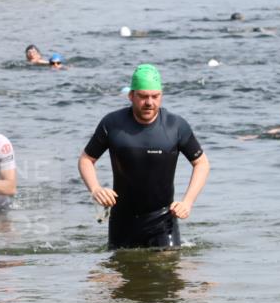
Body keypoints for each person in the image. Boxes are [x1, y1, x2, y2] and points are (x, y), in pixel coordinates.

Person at [78, 64, 211, 250]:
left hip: (163, 220)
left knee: (170, 273)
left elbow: (201, 163)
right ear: (131, 96)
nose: (149, 102)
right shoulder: (113, 123)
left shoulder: (176, 126)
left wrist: (188, 202)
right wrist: (95, 189)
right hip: (122, 220)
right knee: (121, 273)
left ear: (161, 96)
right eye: (143, 96)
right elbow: (86, 159)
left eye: (155, 96)